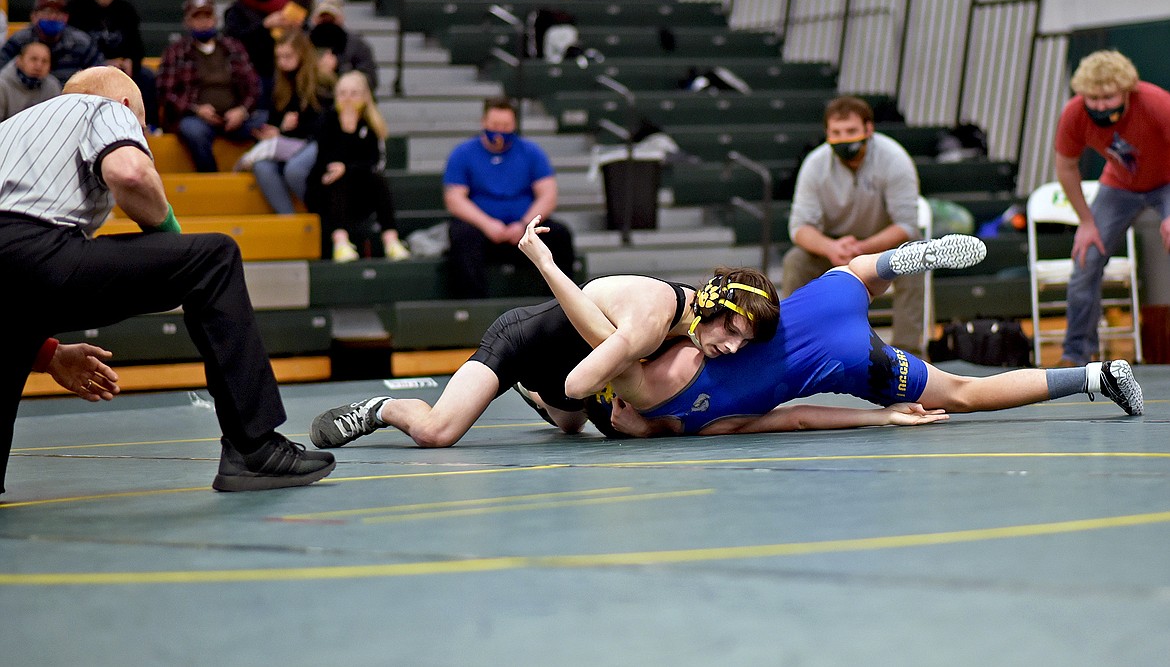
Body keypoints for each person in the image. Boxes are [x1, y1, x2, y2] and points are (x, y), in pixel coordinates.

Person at [0, 66, 335, 495]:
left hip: (16, 281)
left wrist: (47, 354)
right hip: (35, 249)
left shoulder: (14, 130)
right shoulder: (104, 108)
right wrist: (175, 247)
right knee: (214, 256)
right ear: (126, 107)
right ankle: (253, 449)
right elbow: (130, 174)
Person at [518, 224, 1143, 438]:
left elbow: (796, 419)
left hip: (846, 360)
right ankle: (906, 257)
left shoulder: (698, 413)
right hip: (803, 307)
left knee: (961, 392)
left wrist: (881, 418)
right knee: (858, 272)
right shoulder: (687, 336)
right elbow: (636, 337)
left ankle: (1093, 375)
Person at [306, 257, 778, 449]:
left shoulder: (690, 330)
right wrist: (640, 423)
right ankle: (383, 408)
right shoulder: (653, 316)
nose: (732, 348)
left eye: (744, 343)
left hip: (577, 368)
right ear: (712, 304)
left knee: (572, 425)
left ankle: (534, 393)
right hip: (524, 343)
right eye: (733, 330)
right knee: (436, 433)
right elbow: (580, 385)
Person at [1052, 50, 1170, 366]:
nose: (1101, 105)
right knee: (1086, 258)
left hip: (1167, 180)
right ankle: (1076, 353)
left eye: (1109, 97)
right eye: (1093, 97)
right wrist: (1086, 222)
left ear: (1127, 91)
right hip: (1119, 185)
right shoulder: (1074, 114)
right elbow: (1065, 167)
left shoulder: (1156, 102)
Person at [784, 96, 925, 355]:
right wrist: (830, 247)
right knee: (796, 260)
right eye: (836, 132)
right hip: (833, 247)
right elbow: (799, 228)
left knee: (914, 258)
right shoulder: (815, 164)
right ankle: (796, 348)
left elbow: (906, 225)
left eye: (851, 131)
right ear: (827, 134)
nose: (844, 139)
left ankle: (909, 352)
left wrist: (864, 248)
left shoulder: (894, 158)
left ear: (868, 129)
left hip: (882, 247)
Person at [443, 96, 575, 298]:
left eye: (506, 126)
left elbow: (548, 194)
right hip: (483, 232)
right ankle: (475, 308)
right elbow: (455, 199)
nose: (500, 131)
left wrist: (524, 224)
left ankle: (558, 305)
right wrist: (487, 224)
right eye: (495, 125)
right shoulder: (463, 153)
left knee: (560, 235)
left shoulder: (532, 153)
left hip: (523, 232)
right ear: (484, 122)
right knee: (462, 236)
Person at [156, 0, 267, 172]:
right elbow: (165, 92)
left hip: (235, 117)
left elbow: (253, 85)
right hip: (196, 117)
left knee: (269, 123)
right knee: (193, 131)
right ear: (187, 22)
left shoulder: (233, 47)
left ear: (215, 19)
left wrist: (242, 110)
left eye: (207, 16)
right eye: (197, 17)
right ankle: (211, 177)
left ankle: (252, 170)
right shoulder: (176, 52)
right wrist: (196, 109)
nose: (203, 22)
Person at [309, 70, 409, 262]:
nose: (347, 99)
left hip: (360, 189)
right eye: (343, 93)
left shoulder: (371, 124)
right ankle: (340, 243)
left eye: (353, 93)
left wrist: (348, 168)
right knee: (337, 176)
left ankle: (391, 240)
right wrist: (346, 133)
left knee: (378, 180)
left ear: (364, 97)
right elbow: (324, 160)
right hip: (328, 189)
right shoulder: (327, 121)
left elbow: (373, 162)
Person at [237, 32, 333, 214]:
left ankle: (322, 215)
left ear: (302, 54)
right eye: (279, 57)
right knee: (261, 166)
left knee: (294, 169)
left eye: (288, 56)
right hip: (290, 143)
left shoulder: (321, 82)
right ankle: (289, 220)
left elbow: (325, 125)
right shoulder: (280, 84)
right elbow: (276, 121)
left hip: (317, 142)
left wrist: (288, 131)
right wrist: (277, 131)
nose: (282, 62)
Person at [65, 0, 159, 129]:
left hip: (120, 70)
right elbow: (71, 47)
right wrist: (103, 64)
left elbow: (137, 47)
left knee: (146, 76)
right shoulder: (75, 7)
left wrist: (131, 60)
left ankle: (147, 125)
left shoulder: (126, 10)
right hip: (85, 69)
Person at [223, 0, 301, 109]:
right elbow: (233, 41)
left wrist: (294, 28)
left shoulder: (286, 5)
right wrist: (265, 25)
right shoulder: (236, 11)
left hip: (285, 71)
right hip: (253, 72)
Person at [0, 0, 105, 87]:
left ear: (66, 17)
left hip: (70, 100)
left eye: (58, 13)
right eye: (47, 12)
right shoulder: (19, 41)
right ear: (34, 16)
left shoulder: (82, 43)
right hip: (28, 100)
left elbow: (100, 75)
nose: (53, 17)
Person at [307, 0, 379, 92]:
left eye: (332, 18)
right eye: (323, 18)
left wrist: (339, 68)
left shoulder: (358, 45)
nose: (327, 23)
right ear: (314, 19)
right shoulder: (302, 43)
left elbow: (371, 81)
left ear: (341, 18)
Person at [0, 42, 61, 121]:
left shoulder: (53, 86)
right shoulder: (2, 85)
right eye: (33, 59)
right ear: (19, 61)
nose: (39, 65)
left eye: (45, 61)